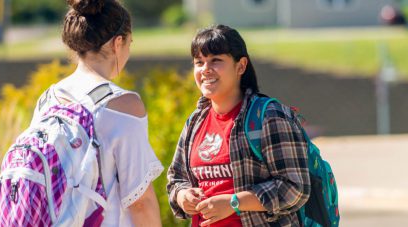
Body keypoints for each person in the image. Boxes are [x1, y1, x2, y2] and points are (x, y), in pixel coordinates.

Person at [31, 0, 163, 226]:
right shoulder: (124, 104)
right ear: (118, 43)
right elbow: (140, 202)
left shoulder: (48, 98)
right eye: (130, 43)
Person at [166, 24, 311, 227]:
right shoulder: (194, 122)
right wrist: (182, 196)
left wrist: (234, 202)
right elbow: (176, 179)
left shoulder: (269, 116)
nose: (205, 69)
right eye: (199, 62)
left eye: (216, 60)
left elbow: (295, 189)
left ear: (241, 66)